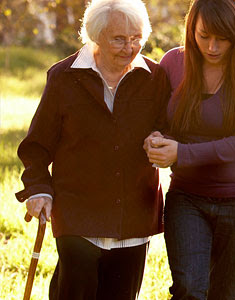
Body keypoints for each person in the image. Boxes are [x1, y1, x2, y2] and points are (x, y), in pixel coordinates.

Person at [15, 0, 170, 299]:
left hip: (134, 214)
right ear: (96, 36)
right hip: (77, 212)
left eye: (136, 37)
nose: (130, 47)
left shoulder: (155, 78)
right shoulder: (64, 77)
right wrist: (38, 189)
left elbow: (168, 127)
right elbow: (36, 146)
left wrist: (161, 140)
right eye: (119, 39)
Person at [144, 0, 235, 299]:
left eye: (223, 38)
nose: (212, 47)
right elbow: (160, 121)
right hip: (187, 197)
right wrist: (155, 138)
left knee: (226, 294)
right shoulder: (173, 63)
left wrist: (182, 153)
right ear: (192, 27)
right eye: (204, 36)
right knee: (189, 289)